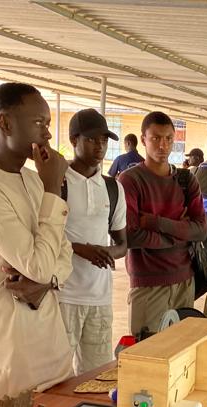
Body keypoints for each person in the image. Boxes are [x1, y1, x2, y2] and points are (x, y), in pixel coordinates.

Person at [0, 82, 73, 407]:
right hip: (5, 336)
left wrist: (49, 282)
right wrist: (53, 188)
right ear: (5, 123)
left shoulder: (33, 179)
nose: (48, 135)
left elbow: (62, 253)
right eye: (40, 123)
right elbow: (38, 263)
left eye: (48, 124)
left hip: (46, 329)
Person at [118, 111, 207, 336]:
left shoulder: (187, 181)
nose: (162, 145)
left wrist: (157, 223)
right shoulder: (130, 180)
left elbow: (201, 230)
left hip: (185, 280)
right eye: (156, 138)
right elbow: (131, 235)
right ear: (143, 140)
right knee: (146, 354)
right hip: (148, 282)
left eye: (168, 138)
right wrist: (180, 233)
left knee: (181, 353)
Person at [60, 109, 127, 372]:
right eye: (91, 139)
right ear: (73, 139)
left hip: (100, 299)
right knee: (55, 378)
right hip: (62, 297)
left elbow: (123, 244)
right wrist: (80, 250)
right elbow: (40, 238)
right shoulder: (55, 181)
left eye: (104, 140)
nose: (99, 146)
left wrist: (106, 251)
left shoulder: (113, 187)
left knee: (95, 378)